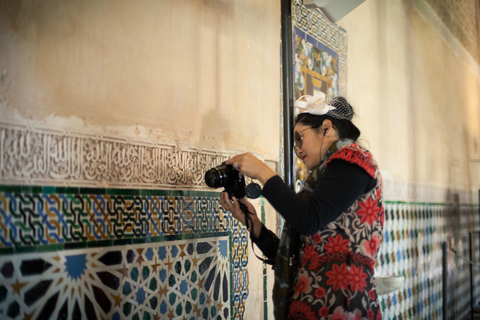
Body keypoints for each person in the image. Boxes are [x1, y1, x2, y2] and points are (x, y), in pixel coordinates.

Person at [219, 93, 384, 320]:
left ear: (326, 128)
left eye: (300, 138)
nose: (297, 149)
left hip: (341, 307)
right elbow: (296, 257)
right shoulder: (324, 175)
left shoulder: (353, 159)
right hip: (313, 305)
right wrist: (254, 224)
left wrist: (263, 172)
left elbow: (309, 219)